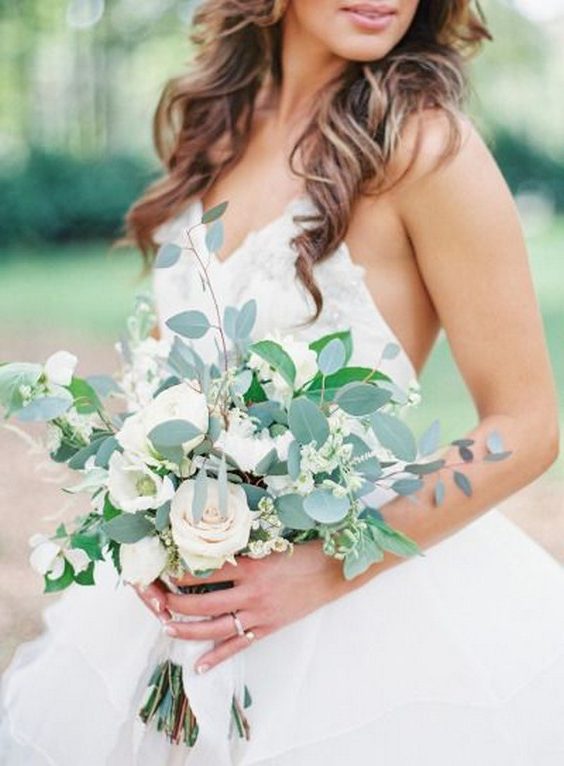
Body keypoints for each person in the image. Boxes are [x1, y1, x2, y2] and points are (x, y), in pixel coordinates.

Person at [1, 1, 564, 764]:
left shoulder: (425, 147)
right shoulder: (218, 129)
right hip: (180, 613)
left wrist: (326, 570)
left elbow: (526, 426)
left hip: (362, 612)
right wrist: (148, 523)